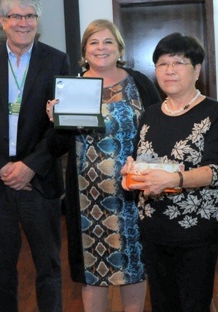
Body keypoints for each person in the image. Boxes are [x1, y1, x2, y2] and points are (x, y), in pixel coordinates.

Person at [46, 19, 161, 312]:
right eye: (94, 42)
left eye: (108, 41)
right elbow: (57, 145)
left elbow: (157, 129)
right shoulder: (72, 87)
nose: (101, 48)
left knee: (134, 264)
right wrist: (54, 119)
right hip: (88, 197)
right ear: (85, 51)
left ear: (119, 48)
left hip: (133, 192)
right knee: (91, 269)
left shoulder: (139, 82)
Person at [0, 0, 70, 311]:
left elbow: (62, 125)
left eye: (29, 16)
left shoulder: (57, 60)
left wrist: (30, 166)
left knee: (49, 267)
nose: (23, 22)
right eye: (15, 16)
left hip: (38, 182)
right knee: (0, 269)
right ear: (2, 21)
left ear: (37, 21)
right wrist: (1, 166)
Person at [121, 32, 218, 312]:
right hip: (153, 229)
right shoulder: (149, 114)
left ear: (197, 70)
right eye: (162, 63)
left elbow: (216, 170)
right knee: (162, 304)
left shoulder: (215, 113)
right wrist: (130, 172)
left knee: (193, 304)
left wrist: (176, 180)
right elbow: (140, 159)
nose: (169, 70)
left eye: (179, 62)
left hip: (194, 232)